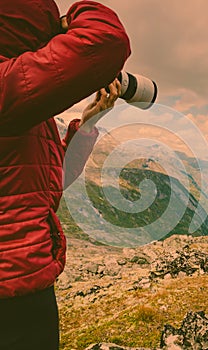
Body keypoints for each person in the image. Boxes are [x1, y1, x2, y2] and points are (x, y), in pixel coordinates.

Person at [0, 1, 131, 349]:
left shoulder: (25, 107)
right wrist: (68, 19)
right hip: (8, 297)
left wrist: (88, 125)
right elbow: (106, 39)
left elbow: (50, 183)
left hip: (31, 286)